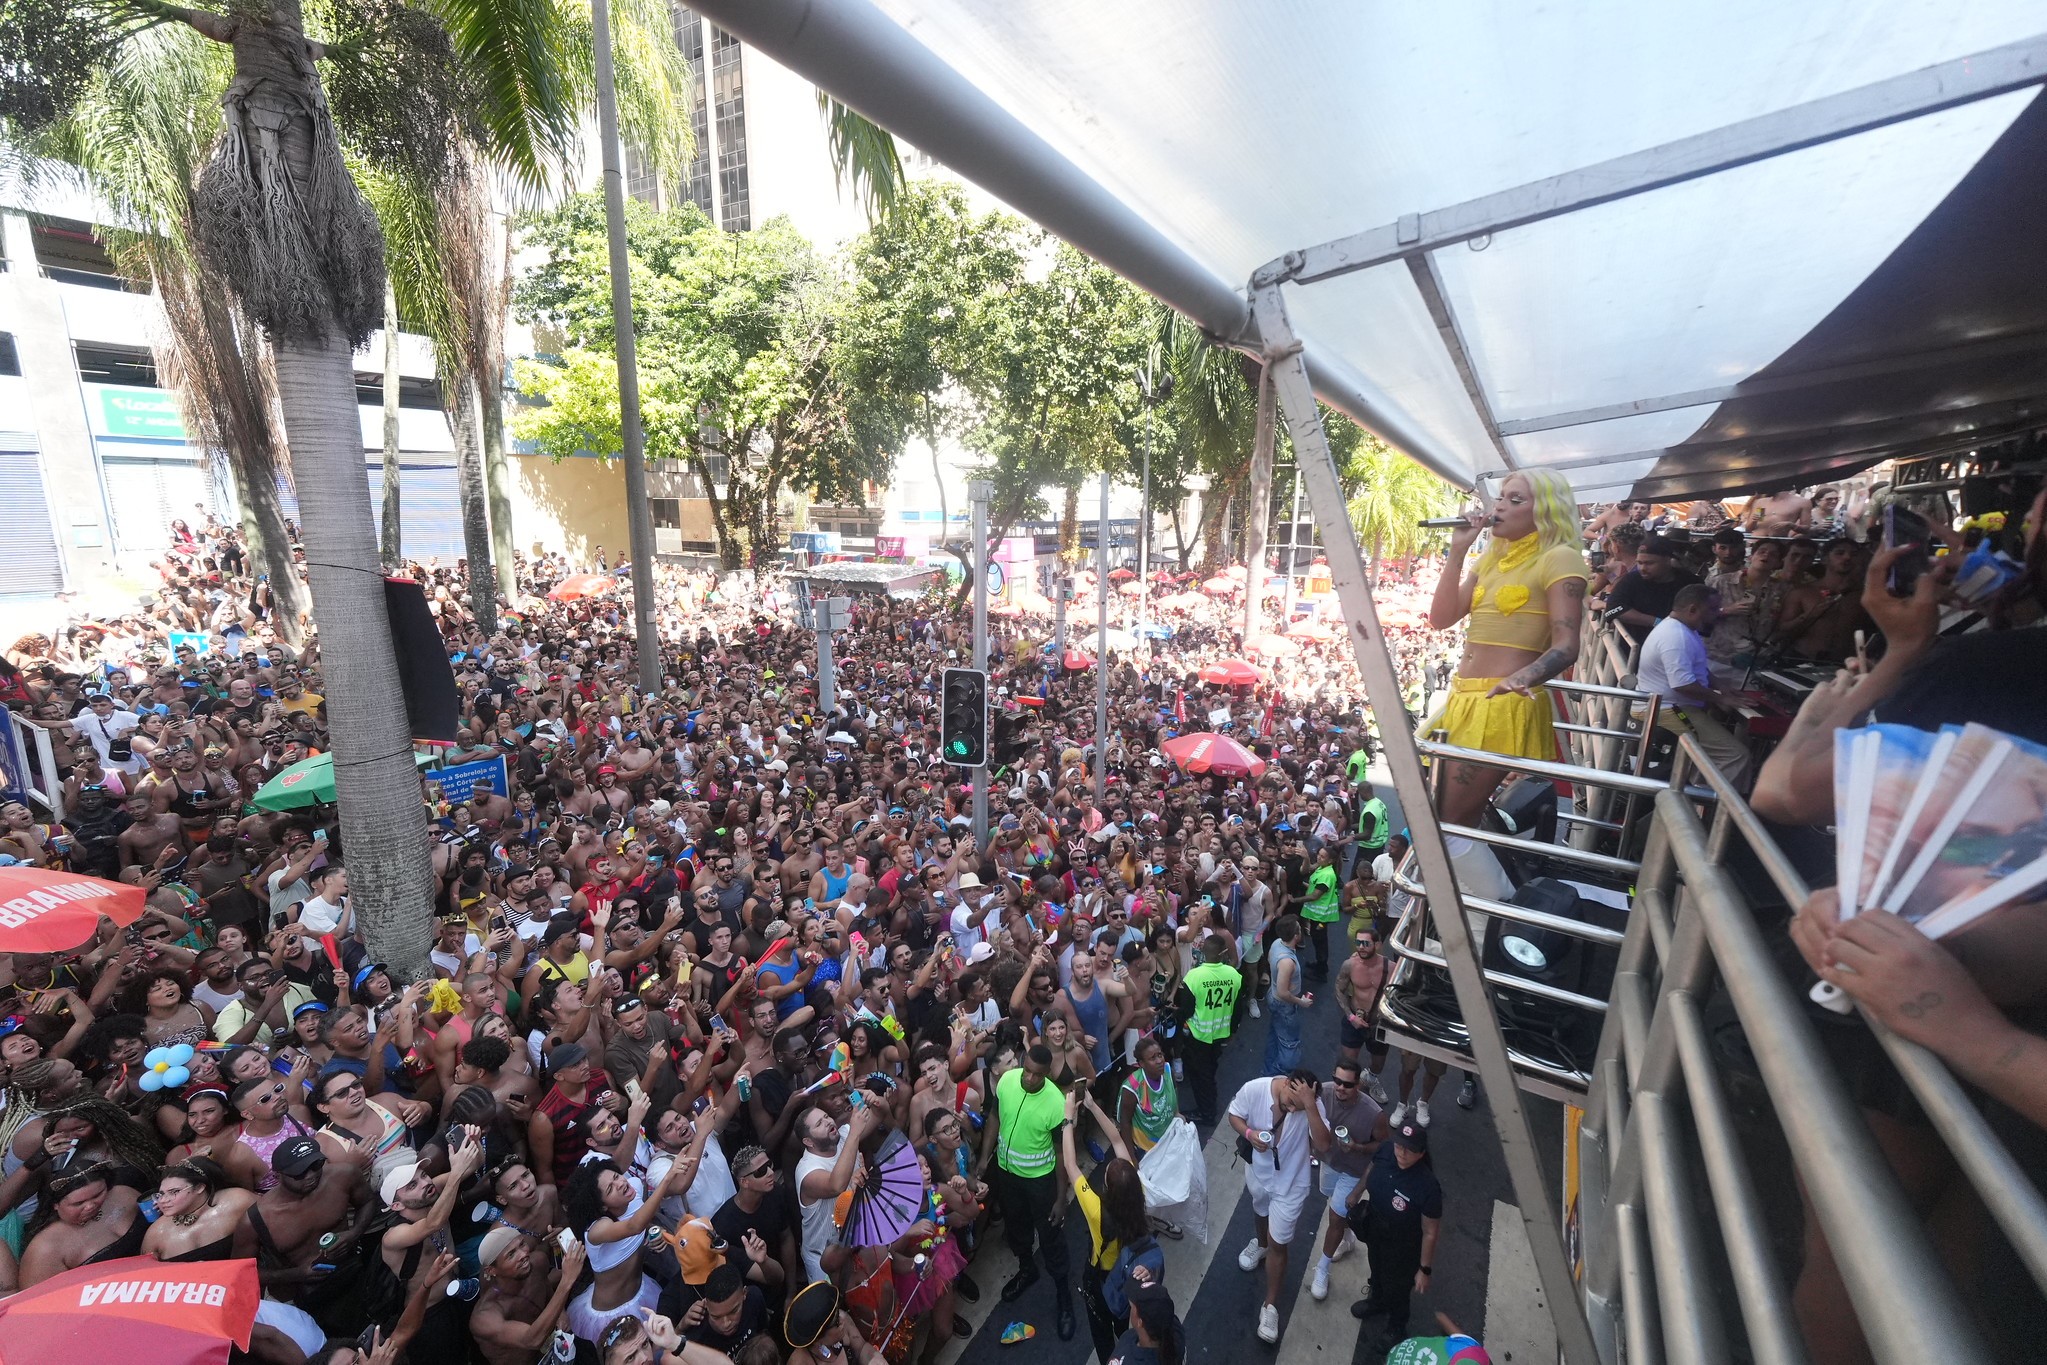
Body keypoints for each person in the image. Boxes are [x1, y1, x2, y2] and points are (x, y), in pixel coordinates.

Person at [1426, 469, 1590, 827]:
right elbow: (1441, 618)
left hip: (1501, 704)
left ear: (1545, 511)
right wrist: (1458, 550)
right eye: (1500, 497)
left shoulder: (1559, 558)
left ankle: (1480, 885)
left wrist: (1521, 680)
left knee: (1447, 822)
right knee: (1441, 817)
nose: (1500, 506)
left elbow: (1567, 645)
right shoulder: (1491, 558)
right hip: (1463, 697)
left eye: (1515, 500)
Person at [1227, 1068, 1331, 1344]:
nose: (1291, 1108)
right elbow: (1234, 1115)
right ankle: (1259, 1244)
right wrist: (1249, 1133)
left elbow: (1323, 1144)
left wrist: (1309, 1105)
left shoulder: (1311, 1104)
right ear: (1286, 1083)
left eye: (1298, 1106)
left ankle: (1270, 1306)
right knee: (1260, 1211)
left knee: (1279, 1243)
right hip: (1259, 1173)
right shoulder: (1254, 1089)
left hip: (1292, 1183)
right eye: (1289, 1102)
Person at [987, 1042, 1075, 1339]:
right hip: (1007, 1175)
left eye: (1037, 1075)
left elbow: (1062, 1153)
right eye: (1026, 1071)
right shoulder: (1008, 1081)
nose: (1029, 1078)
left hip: (1040, 1181)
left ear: (1047, 1074)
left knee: (1050, 1237)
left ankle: (1063, 1295)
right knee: (1017, 1228)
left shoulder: (1055, 1103)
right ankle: (1027, 1268)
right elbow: (995, 1118)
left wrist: (1062, 1198)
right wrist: (983, 1162)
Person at [1634, 583, 1754, 789]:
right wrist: (1722, 698)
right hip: (1668, 710)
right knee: (1735, 755)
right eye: (1713, 609)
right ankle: (1712, 812)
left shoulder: (1684, 630)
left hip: (1672, 707)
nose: (1717, 614)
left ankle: (1697, 793)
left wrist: (1721, 685)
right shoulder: (1675, 636)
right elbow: (1682, 684)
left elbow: (1695, 668)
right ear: (1692, 610)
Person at [1348, 1121, 1444, 1350]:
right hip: (1375, 1228)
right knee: (1377, 1270)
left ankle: (1397, 1326)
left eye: (1410, 1150)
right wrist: (1357, 1191)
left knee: (1397, 1288)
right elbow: (1370, 1169)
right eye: (1399, 1146)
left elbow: (1430, 1231)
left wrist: (1424, 1269)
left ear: (1421, 1154)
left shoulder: (1428, 1187)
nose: (1402, 1153)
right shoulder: (1385, 1150)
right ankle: (1377, 1301)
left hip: (1402, 1246)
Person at [1309, 1058, 1387, 1301]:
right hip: (1329, 1162)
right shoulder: (1322, 1092)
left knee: (1335, 1216)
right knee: (1334, 1205)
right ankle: (1348, 1236)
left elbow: (1383, 1147)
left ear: (1358, 1086)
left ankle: (1322, 1268)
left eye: (1347, 1084)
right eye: (1337, 1081)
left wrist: (1358, 1147)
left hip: (1354, 1171)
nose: (1340, 1088)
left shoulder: (1374, 1114)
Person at [1174, 934, 1240, 1125]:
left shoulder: (1194, 977)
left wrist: (1177, 1016)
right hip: (1221, 1033)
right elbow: (1237, 1008)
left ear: (1203, 951)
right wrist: (1233, 1031)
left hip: (1198, 1036)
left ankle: (1207, 1113)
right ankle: (1207, 1106)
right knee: (1210, 1070)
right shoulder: (1233, 975)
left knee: (1202, 1077)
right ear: (1223, 953)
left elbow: (1186, 1009)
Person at [1262, 915, 1310, 1076]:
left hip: (1272, 994)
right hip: (1284, 1004)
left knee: (1275, 1033)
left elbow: (1269, 959)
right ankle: (1278, 1074)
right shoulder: (1287, 962)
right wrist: (1301, 1002)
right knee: (1289, 1043)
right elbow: (1283, 993)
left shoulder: (1277, 943)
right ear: (1296, 936)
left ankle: (1268, 1068)